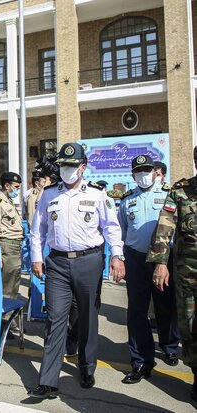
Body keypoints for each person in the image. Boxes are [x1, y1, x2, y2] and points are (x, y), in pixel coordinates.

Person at [28, 142, 125, 398]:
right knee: (55, 319)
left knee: (87, 317)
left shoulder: (97, 194)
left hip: (89, 261)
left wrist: (117, 255)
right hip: (57, 263)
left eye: (71, 166)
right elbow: (38, 230)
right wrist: (37, 258)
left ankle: (86, 366)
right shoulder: (50, 194)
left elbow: (112, 228)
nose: (66, 170)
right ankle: (48, 380)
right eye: (63, 166)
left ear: (82, 167)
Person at [118, 155, 180, 385]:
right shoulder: (127, 200)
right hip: (135, 258)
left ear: (155, 172)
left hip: (163, 259)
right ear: (133, 175)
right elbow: (123, 230)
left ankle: (169, 345)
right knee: (136, 311)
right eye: (138, 172)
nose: (143, 175)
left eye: (147, 170)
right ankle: (140, 360)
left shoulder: (168, 195)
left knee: (165, 305)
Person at [147, 145, 197, 401]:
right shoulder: (181, 191)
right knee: (189, 327)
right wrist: (160, 262)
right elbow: (165, 227)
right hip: (188, 274)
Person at [0, 172, 24, 301]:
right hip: (7, 247)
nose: (18, 190)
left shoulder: (8, 201)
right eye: (16, 187)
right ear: (7, 186)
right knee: (8, 287)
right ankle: (5, 318)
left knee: (13, 284)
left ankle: (8, 316)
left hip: (14, 247)